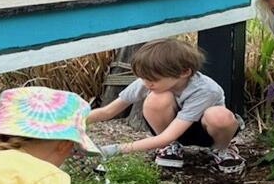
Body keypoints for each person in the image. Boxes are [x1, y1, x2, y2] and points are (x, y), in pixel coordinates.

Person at [89, 38, 245, 173]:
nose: (146, 83)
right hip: (172, 128)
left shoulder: (205, 90)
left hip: (207, 132)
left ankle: (222, 148)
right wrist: (72, 121)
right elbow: (108, 111)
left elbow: (167, 136)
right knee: (157, 98)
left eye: (153, 79)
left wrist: (113, 150)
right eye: (143, 78)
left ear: (184, 72)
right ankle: (171, 148)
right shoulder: (149, 81)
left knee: (219, 116)